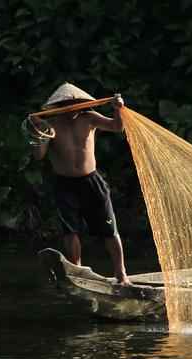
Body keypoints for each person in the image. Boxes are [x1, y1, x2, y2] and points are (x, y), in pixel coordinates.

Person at [27, 82, 131, 285]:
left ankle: (121, 275)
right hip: (64, 184)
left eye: (75, 104)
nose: (72, 109)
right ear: (59, 106)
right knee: (70, 230)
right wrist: (36, 134)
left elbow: (117, 127)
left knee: (109, 230)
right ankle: (78, 273)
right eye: (67, 105)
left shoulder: (89, 117)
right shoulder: (50, 125)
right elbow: (39, 156)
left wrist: (119, 108)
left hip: (92, 181)